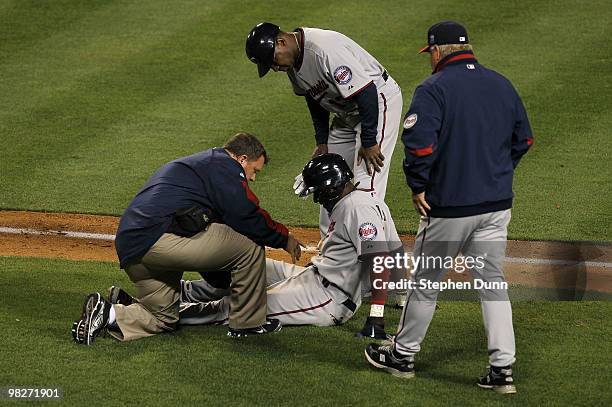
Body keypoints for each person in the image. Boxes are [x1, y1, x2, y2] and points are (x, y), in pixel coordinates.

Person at [364, 21, 533, 395]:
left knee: (425, 283)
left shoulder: (434, 88)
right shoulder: (501, 83)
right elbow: (524, 139)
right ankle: (502, 369)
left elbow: (419, 145)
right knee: (492, 283)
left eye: (430, 54)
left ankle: (403, 355)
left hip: (450, 207)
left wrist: (419, 184)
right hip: (496, 206)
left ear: (437, 51)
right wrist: (496, 173)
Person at [71, 132, 302, 345]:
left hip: (132, 249)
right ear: (242, 159)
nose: (252, 178)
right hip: (160, 240)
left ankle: (107, 312)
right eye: (254, 171)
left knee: (162, 318)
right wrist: (284, 238)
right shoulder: (224, 166)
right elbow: (245, 216)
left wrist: (221, 278)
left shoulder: (200, 165)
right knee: (250, 244)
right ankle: (248, 325)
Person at [170, 154, 405, 336]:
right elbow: (396, 250)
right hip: (312, 277)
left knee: (242, 306)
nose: (317, 199)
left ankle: (168, 314)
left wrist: (376, 316)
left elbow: (380, 259)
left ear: (331, 187)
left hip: (328, 300)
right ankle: (178, 291)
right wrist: (403, 294)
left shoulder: (358, 209)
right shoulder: (365, 201)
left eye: (318, 192)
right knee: (247, 270)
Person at [245, 22, 403, 239]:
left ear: (281, 42)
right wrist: (322, 141)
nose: (274, 68)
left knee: (368, 187)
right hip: (345, 114)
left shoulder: (323, 49)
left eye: (272, 61)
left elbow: (366, 92)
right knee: (328, 185)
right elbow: (314, 97)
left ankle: (374, 254)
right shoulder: (292, 63)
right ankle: (331, 252)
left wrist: (369, 141)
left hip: (377, 105)